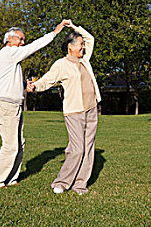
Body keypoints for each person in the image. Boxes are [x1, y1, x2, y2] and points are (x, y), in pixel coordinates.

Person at [0, 21, 68, 189]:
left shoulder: (12, 60)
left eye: (23, 40)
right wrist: (54, 33)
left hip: (14, 106)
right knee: (10, 145)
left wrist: (25, 85)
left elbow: (9, 81)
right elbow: (34, 47)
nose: (23, 43)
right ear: (10, 39)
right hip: (6, 106)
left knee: (19, 143)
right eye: (20, 39)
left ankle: (11, 178)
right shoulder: (8, 52)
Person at [27, 20, 101, 195]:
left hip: (91, 109)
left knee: (88, 149)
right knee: (77, 149)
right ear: (70, 46)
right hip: (74, 111)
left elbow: (90, 38)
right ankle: (61, 182)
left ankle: (80, 184)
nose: (83, 48)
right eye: (80, 45)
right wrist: (35, 86)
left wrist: (74, 26)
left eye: (83, 45)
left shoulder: (85, 60)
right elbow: (48, 79)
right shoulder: (61, 64)